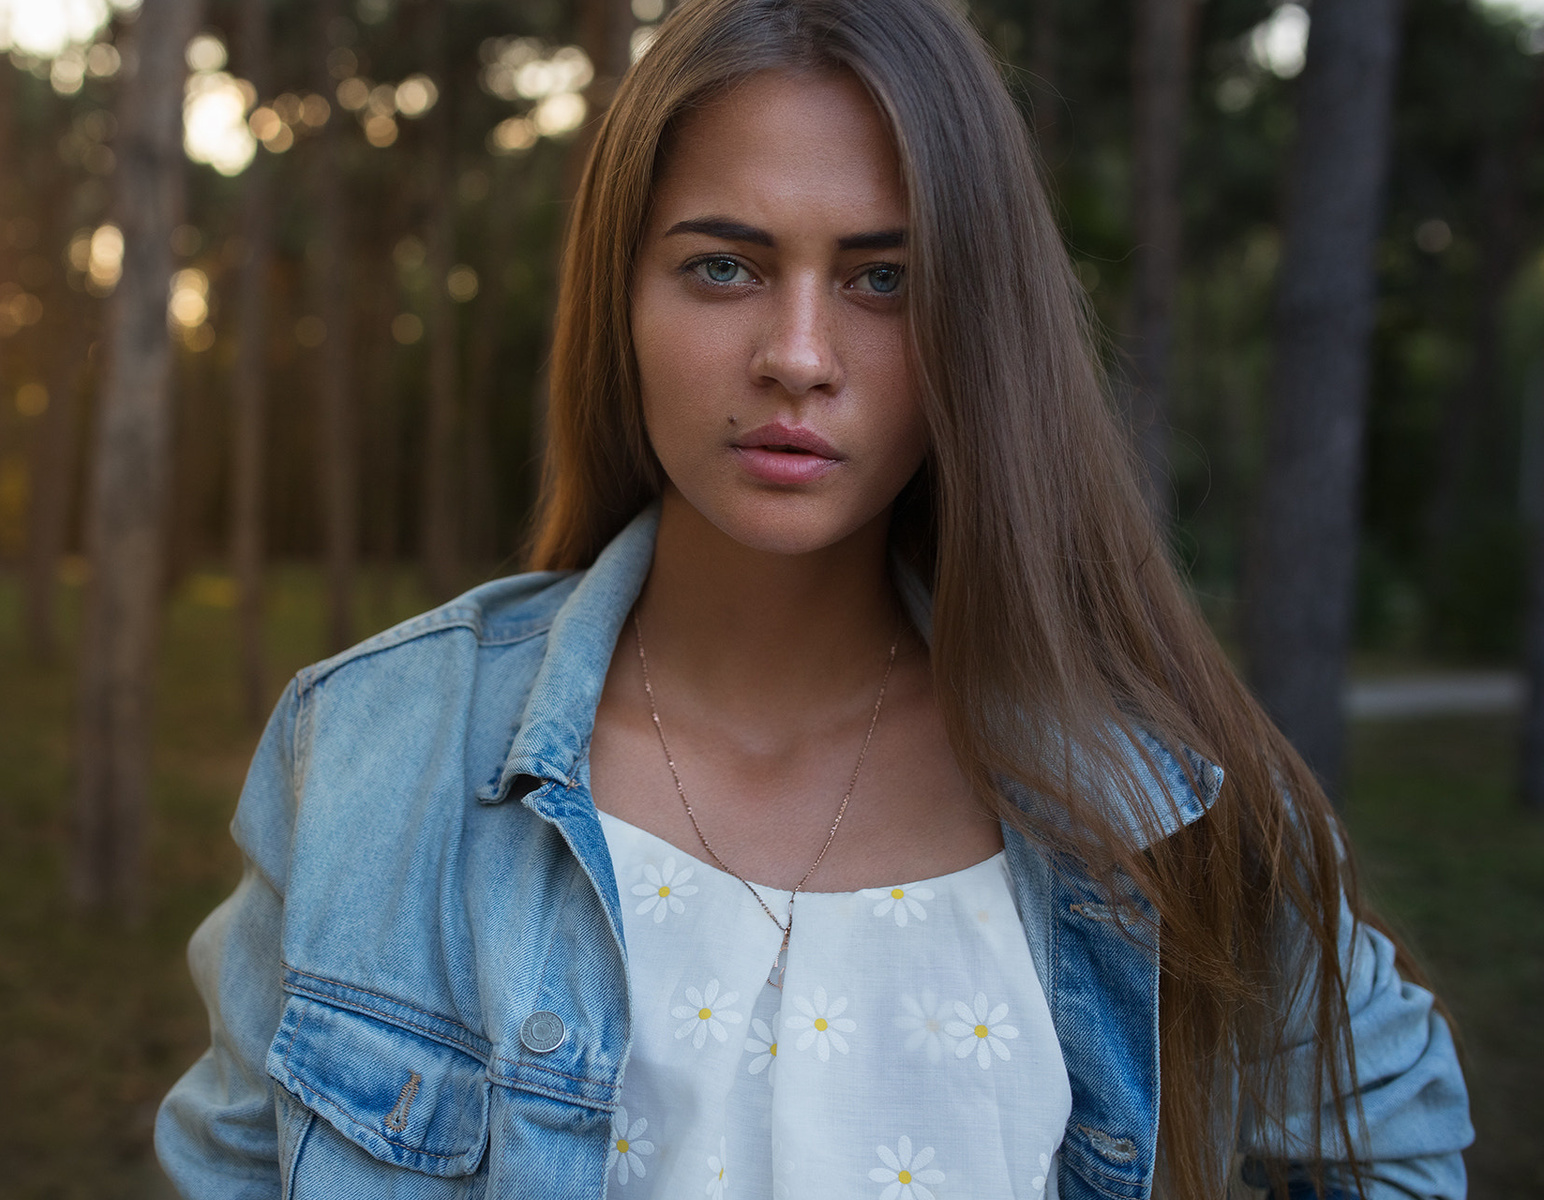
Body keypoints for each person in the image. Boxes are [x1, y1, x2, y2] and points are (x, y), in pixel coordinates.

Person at [155, 0, 1472, 1195]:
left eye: (881, 280)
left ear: (978, 323)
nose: (797, 355)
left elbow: (1390, 1134)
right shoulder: (376, 756)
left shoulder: (1148, 803)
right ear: (620, 299)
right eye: (723, 266)